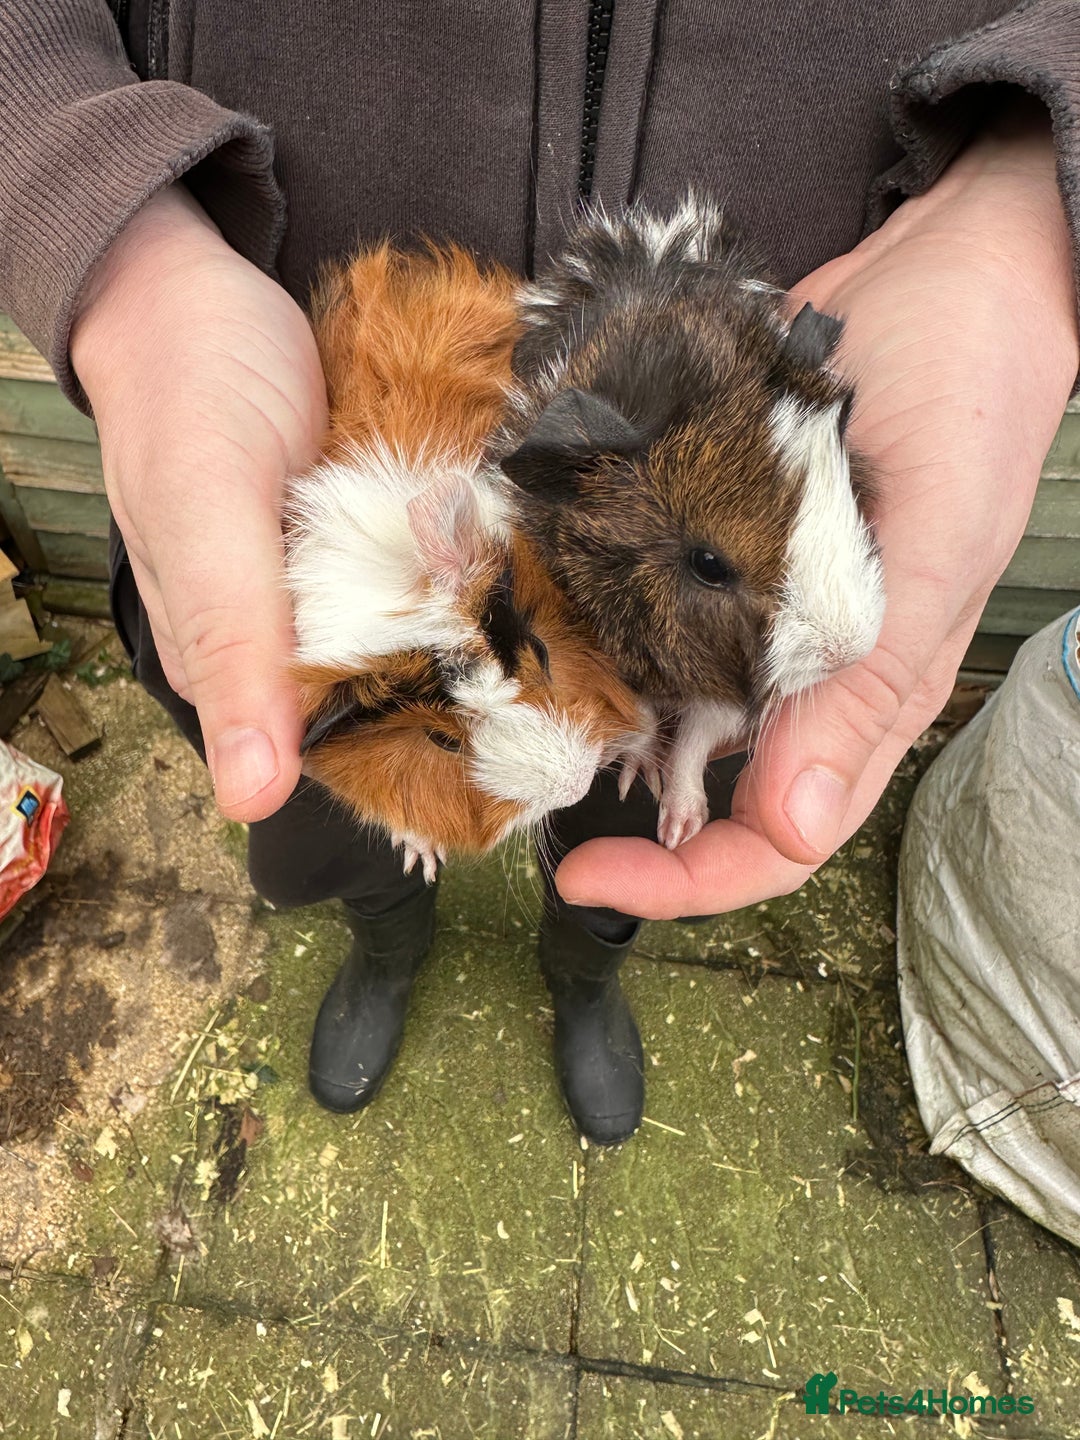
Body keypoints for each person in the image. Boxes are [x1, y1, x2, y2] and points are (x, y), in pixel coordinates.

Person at [1, 2, 1076, 1145]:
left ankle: (585, 975)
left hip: (778, 361)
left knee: (631, 852)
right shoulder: (402, 648)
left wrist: (1025, 189)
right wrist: (115, 227)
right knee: (333, 827)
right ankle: (387, 944)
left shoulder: (671, 520)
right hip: (254, 402)